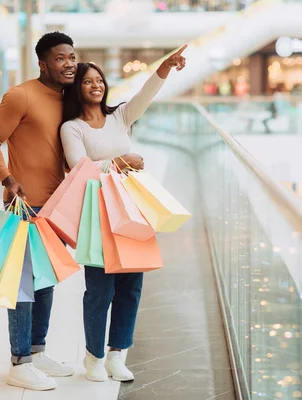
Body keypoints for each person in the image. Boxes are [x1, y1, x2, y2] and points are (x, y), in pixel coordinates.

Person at [60, 45, 187, 382]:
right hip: (98, 211)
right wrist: (120, 161)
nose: (95, 85)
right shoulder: (72, 127)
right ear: (77, 88)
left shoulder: (120, 117)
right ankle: (94, 357)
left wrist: (165, 68)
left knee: (131, 285)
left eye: (99, 80)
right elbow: (78, 167)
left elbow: (145, 95)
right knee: (100, 289)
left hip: (132, 207)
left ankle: (118, 353)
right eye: (87, 81)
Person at [0, 31, 77, 391]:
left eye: (72, 57)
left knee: (46, 283)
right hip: (26, 206)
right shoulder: (20, 95)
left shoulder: (70, 99)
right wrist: (6, 178)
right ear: (42, 63)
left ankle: (36, 352)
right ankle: (19, 361)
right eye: (60, 58)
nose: (68, 64)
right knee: (22, 287)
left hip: (56, 207)